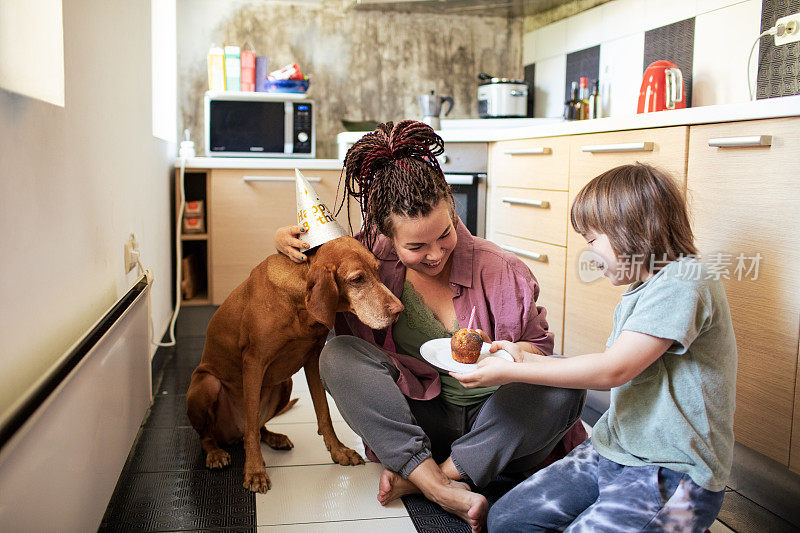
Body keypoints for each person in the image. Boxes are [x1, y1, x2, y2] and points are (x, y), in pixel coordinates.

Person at [274, 120, 586, 532]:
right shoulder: (367, 262)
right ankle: (436, 483)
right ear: (385, 236)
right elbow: (314, 273)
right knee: (338, 354)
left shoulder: (502, 269)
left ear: (453, 210)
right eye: (416, 247)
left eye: (444, 234)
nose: (436, 254)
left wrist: (513, 355)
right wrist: (284, 245)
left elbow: (538, 350)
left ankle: (431, 477)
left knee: (566, 382)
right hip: (419, 418)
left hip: (498, 425)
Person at [453, 163, 736, 532]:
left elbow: (612, 370)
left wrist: (512, 371)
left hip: (673, 472)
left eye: (591, 240)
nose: (589, 254)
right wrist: (521, 356)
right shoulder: (642, 290)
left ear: (631, 231)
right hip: (613, 451)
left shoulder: (685, 281)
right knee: (505, 520)